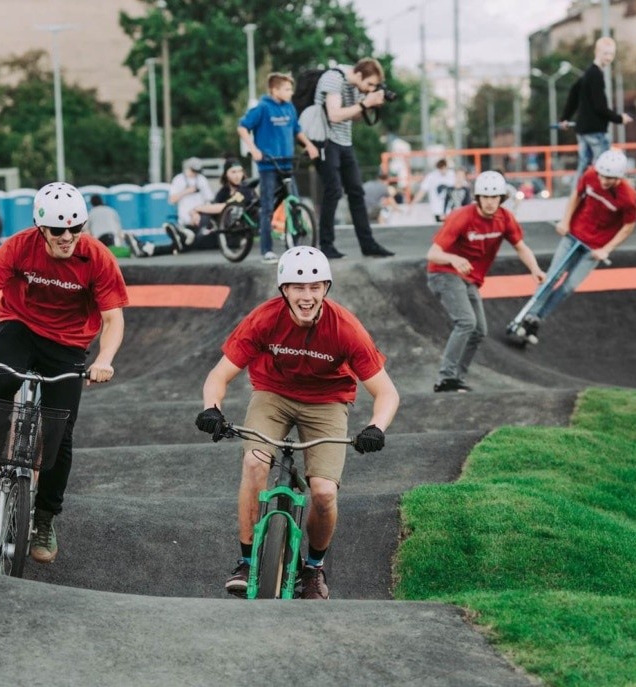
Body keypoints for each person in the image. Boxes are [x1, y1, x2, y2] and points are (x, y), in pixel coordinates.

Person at [195, 246, 399, 599]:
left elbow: (387, 393)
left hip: (327, 401)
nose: (307, 296)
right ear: (284, 290)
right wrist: (212, 409)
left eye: (315, 287)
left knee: (323, 491)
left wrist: (376, 427)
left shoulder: (346, 329)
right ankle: (246, 561)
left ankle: (314, 570)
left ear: (326, 288)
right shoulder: (264, 319)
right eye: (298, 287)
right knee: (254, 463)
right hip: (273, 394)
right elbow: (219, 375)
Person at [0, 181, 129, 564]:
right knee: (4, 376)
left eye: (75, 228)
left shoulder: (97, 257)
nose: (67, 237)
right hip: (20, 325)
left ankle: (45, 519)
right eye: (57, 230)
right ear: (40, 228)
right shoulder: (19, 247)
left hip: (68, 342)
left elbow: (113, 320)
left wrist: (104, 360)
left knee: (60, 434)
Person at [426, 171, 546, 393]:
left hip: (469, 279)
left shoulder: (505, 218)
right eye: (485, 197)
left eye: (495, 198)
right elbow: (433, 253)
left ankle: (456, 379)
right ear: (478, 197)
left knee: (479, 330)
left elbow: (521, 246)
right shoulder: (462, 216)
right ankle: (445, 378)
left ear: (501, 198)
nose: (490, 203)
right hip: (443, 273)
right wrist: (454, 258)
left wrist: (535, 269)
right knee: (466, 322)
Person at [516, 150, 636, 344]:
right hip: (573, 236)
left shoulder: (628, 197)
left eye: (610, 178)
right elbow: (576, 195)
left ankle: (538, 318)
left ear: (620, 177)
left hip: (594, 248)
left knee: (569, 286)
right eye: (602, 176)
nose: (604, 181)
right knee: (551, 278)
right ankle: (527, 316)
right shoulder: (590, 175)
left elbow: (628, 226)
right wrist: (565, 221)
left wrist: (607, 248)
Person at [313, 57, 395, 259]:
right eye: (369, 84)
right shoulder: (333, 78)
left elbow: (355, 115)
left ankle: (368, 244)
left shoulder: (357, 85)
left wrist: (370, 104)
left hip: (344, 141)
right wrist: (365, 102)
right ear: (358, 74)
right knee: (333, 191)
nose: (370, 88)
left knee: (357, 192)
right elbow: (334, 115)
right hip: (324, 139)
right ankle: (326, 244)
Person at [238, 72, 320, 263]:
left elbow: (297, 130)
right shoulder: (263, 107)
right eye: (287, 89)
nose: (290, 92)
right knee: (267, 207)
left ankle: (297, 247)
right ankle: (266, 250)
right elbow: (242, 127)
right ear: (275, 90)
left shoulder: (289, 108)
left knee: (294, 203)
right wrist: (254, 149)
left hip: (286, 162)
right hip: (268, 164)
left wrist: (309, 145)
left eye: (290, 89)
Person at [560, 36, 634, 178]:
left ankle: (578, 196)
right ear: (597, 52)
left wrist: (565, 117)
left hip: (583, 130)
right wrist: (619, 118)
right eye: (605, 53)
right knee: (603, 167)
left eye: (611, 54)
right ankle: (597, 197)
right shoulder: (596, 75)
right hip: (596, 131)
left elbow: (573, 93)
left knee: (584, 167)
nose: (609, 57)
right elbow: (600, 107)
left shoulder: (587, 74)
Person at [168, 156, 214, 245]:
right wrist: (187, 191)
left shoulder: (201, 179)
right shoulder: (179, 179)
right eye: (193, 171)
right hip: (185, 217)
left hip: (200, 216)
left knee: (200, 240)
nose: (195, 174)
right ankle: (183, 234)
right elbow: (172, 199)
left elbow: (209, 199)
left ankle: (188, 236)